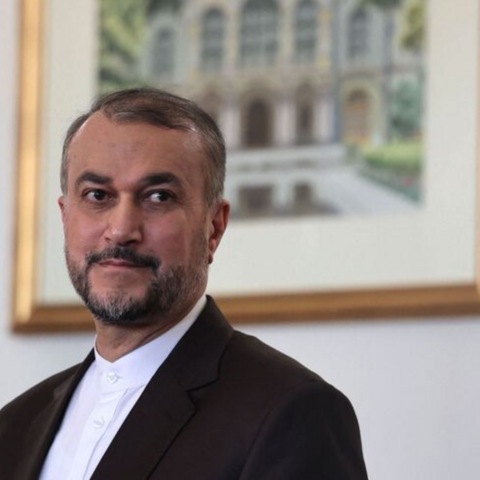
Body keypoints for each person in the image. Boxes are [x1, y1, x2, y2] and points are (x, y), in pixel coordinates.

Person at [0, 88, 368, 479]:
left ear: (214, 227)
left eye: (158, 196)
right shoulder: (15, 425)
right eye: (97, 195)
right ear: (65, 216)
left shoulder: (292, 413)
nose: (121, 230)